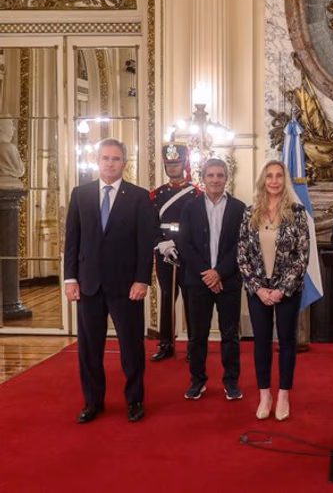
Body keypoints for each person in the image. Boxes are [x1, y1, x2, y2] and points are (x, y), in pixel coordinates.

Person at [63, 138, 158, 423]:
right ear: (97, 161)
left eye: (116, 158)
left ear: (124, 163)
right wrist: (70, 278)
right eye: (105, 158)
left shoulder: (139, 197)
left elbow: (145, 243)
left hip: (126, 286)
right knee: (89, 349)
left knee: (131, 347)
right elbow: (72, 240)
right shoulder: (80, 194)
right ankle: (93, 402)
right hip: (88, 284)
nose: (110, 163)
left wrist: (142, 280)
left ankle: (134, 400)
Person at [238, 161, 310, 421]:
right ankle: (265, 395)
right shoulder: (250, 213)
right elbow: (242, 255)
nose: (274, 180)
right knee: (261, 342)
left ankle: (283, 394)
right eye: (269, 176)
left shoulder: (297, 213)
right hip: (258, 289)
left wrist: (281, 289)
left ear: (285, 180)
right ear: (263, 180)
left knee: (287, 341)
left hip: (287, 290)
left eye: (279, 176)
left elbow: (302, 257)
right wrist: (258, 289)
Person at [178, 158, 246, 401]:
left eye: (220, 175)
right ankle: (197, 381)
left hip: (229, 281)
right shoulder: (190, 207)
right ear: (203, 178)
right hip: (198, 282)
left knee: (230, 335)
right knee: (197, 336)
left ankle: (231, 382)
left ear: (226, 178)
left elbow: (242, 245)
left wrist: (219, 273)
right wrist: (207, 273)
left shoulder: (239, 208)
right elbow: (184, 244)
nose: (215, 179)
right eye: (211, 175)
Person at [149, 142, 201, 362]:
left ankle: (193, 345)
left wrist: (180, 245)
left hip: (187, 253)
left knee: (191, 299)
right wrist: (161, 243)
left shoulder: (196, 193)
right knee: (167, 297)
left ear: (184, 164)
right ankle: (166, 343)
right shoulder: (156, 195)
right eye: (169, 165)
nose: (172, 168)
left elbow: (199, 226)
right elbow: (151, 225)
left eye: (176, 164)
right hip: (164, 252)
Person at [0, 116, 25, 189]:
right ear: (1, 128)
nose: (14, 129)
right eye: (11, 125)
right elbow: (20, 171)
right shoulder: (9, 148)